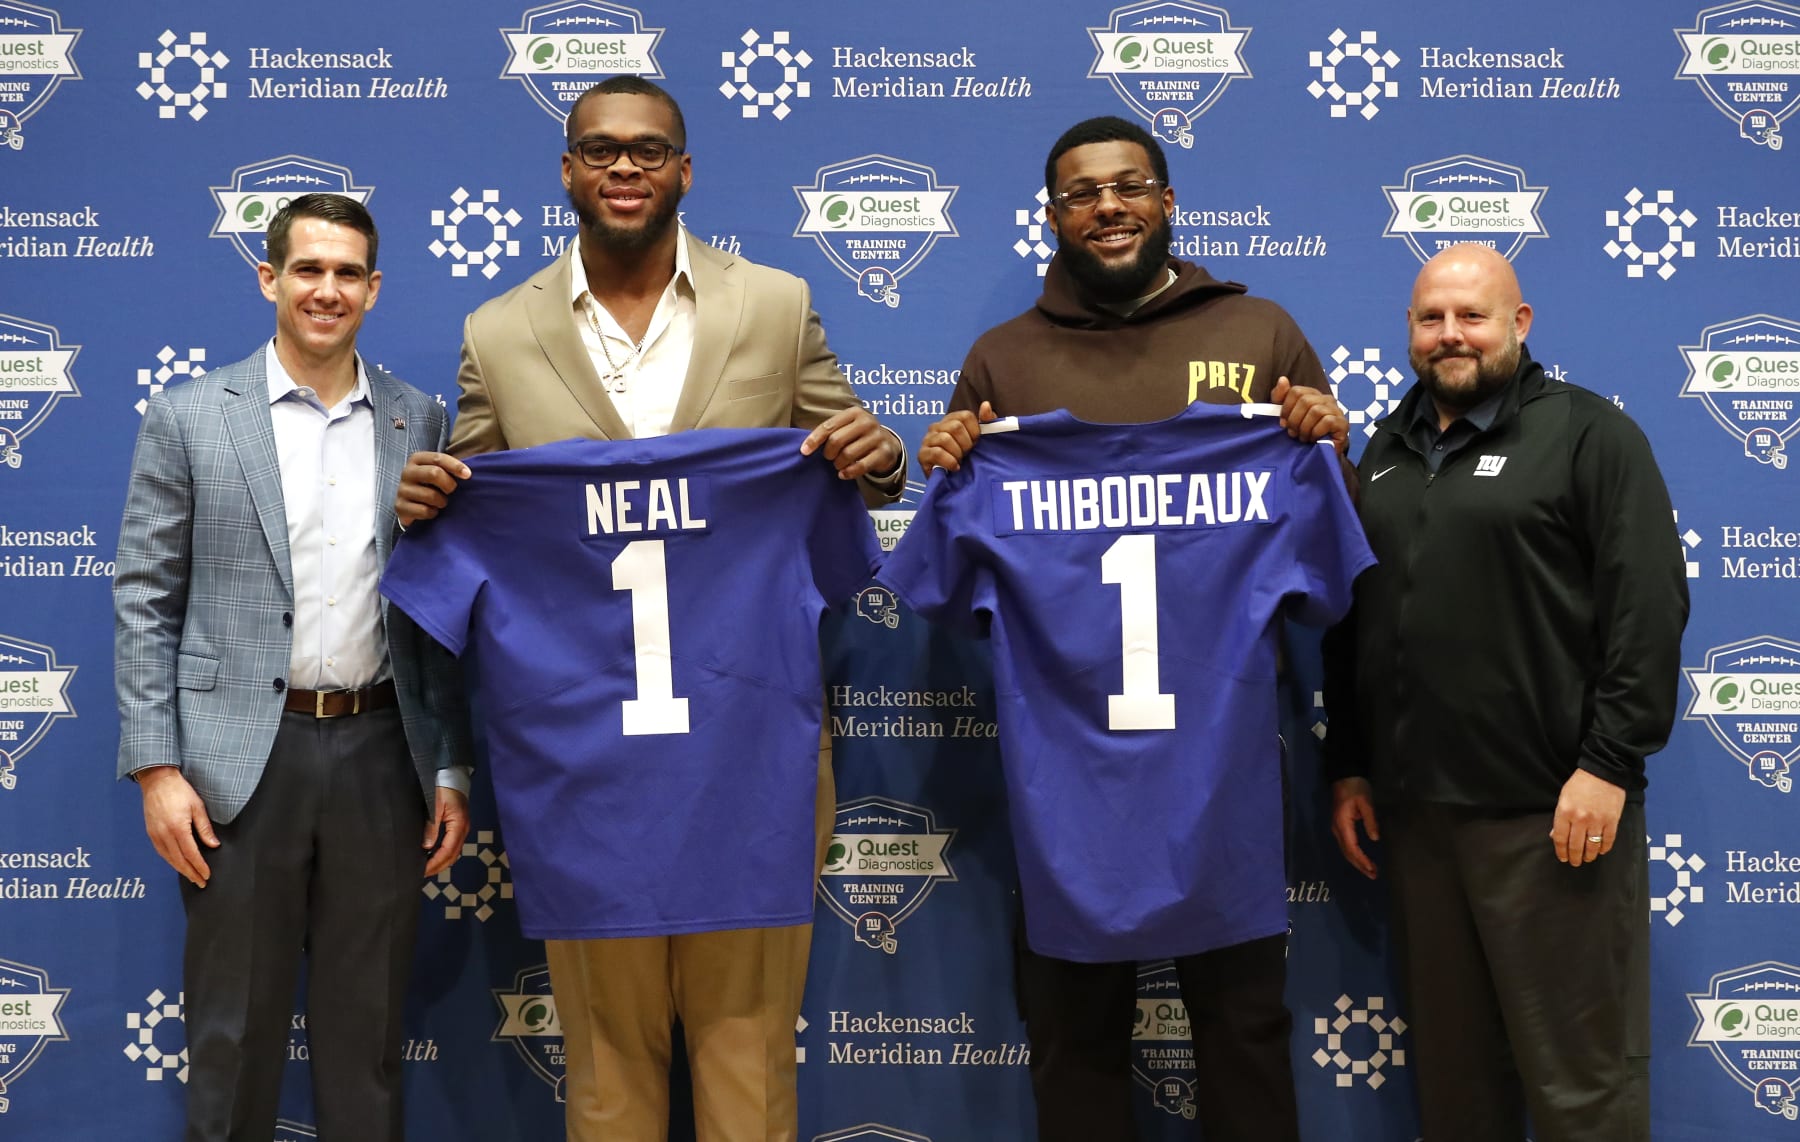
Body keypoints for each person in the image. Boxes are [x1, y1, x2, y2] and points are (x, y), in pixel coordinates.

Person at [394, 76, 905, 1142]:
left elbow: (848, 450)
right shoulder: (497, 331)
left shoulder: (773, 302)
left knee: (747, 1056)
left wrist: (885, 454)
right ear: (568, 170)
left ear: (684, 169)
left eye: (649, 149)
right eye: (600, 149)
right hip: (583, 756)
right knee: (608, 1063)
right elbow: (480, 503)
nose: (624, 166)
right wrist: (428, 497)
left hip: (746, 741)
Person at [914, 115, 1351, 1142]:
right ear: (1053, 216)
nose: (1106, 206)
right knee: (1074, 1039)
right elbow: (943, 572)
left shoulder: (1260, 334)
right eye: (1081, 193)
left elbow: (1338, 561)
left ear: (1166, 201)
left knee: (1244, 1030)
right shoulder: (1002, 359)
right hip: (1067, 785)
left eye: (1129, 185)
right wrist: (944, 464)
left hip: (1223, 772)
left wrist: (1329, 449)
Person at [114, 193, 472, 1142]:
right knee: (232, 1038)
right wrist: (158, 768)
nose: (327, 290)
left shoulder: (417, 419)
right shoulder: (190, 417)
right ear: (268, 277)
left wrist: (445, 765)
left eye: (347, 273)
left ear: (375, 288)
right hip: (238, 770)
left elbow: (431, 613)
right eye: (307, 270)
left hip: (380, 755)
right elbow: (145, 601)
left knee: (367, 1044)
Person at [1322, 244, 1689, 1142]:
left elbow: (1648, 605)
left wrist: (1608, 762)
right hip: (1422, 828)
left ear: (1519, 324)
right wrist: (1354, 766)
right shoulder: (1386, 449)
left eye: (1472, 316)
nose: (1450, 335)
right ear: (1409, 329)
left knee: (1581, 1092)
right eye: (1430, 317)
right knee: (1457, 1095)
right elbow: (1357, 619)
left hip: (1552, 824)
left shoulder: (1589, 435)